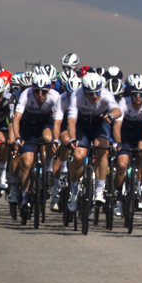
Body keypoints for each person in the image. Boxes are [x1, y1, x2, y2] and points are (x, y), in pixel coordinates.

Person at [66, 72, 121, 210]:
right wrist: (72, 138)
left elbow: (117, 110)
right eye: (91, 94)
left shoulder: (106, 95)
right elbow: (72, 120)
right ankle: (73, 191)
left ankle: (99, 191)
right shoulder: (76, 95)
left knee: (102, 149)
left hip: (99, 124)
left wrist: (111, 115)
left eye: (97, 92)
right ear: (84, 90)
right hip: (82, 125)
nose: (95, 96)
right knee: (78, 156)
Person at [12, 73, 61, 213]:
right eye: (37, 91)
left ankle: (49, 169)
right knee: (27, 163)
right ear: (32, 89)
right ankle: (25, 198)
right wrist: (17, 136)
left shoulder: (54, 96)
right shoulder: (26, 95)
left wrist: (56, 139)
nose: (40, 94)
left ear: (49, 90)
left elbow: (58, 120)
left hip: (46, 123)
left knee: (48, 138)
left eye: (44, 91)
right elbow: (16, 119)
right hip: (29, 126)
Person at [112, 75, 142, 217]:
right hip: (126, 133)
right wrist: (118, 144)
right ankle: (118, 197)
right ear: (130, 93)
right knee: (122, 165)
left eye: (141, 94)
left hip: (141, 132)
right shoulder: (124, 102)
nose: (137, 97)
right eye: (134, 93)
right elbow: (117, 126)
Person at [51, 75, 81, 210]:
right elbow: (57, 122)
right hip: (65, 124)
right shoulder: (62, 98)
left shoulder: (84, 98)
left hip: (81, 125)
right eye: (70, 94)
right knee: (65, 139)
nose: (72, 97)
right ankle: (63, 169)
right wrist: (55, 140)